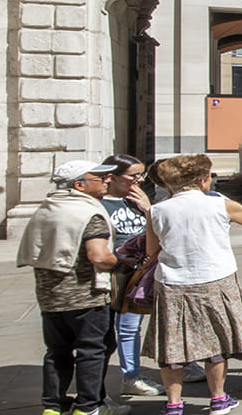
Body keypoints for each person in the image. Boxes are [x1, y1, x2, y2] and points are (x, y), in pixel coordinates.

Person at [143, 154, 242, 415]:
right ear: (202, 181)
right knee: (215, 344)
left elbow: (151, 250)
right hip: (215, 280)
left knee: (172, 347)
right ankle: (217, 399)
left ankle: (173, 404)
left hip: (172, 284)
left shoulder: (157, 211)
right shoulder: (219, 205)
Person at [18, 159, 120, 415]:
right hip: (86, 296)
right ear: (79, 185)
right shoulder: (87, 212)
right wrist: (120, 262)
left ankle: (52, 406)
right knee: (92, 351)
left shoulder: (46, 208)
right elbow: (98, 256)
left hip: (50, 296)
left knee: (56, 352)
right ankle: (87, 407)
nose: (107, 180)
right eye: (100, 177)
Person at [98, 155, 160, 397]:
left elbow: (159, 226)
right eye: (133, 175)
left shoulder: (139, 200)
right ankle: (131, 376)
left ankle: (178, 365)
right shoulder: (102, 203)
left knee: (157, 320)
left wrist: (148, 209)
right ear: (112, 177)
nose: (140, 180)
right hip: (119, 272)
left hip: (146, 269)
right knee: (127, 326)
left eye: (142, 174)